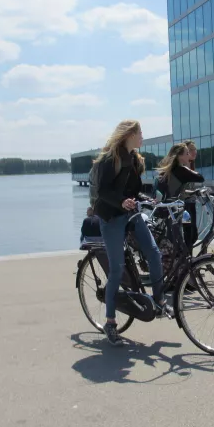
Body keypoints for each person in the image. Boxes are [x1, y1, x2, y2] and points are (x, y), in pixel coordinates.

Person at [93, 119, 170, 346]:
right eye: (140, 133)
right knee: (116, 269)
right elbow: (103, 191)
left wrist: (146, 199)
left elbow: (135, 190)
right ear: (129, 135)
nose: (142, 137)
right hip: (111, 216)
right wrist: (122, 201)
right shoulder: (111, 159)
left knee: (154, 254)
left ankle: (158, 302)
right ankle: (110, 322)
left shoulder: (136, 160)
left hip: (131, 213)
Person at [181, 140, 201, 251]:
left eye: (195, 149)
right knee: (189, 234)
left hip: (191, 204)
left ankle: (188, 259)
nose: (194, 152)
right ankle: (188, 262)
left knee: (193, 235)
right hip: (184, 205)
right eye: (191, 149)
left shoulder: (191, 165)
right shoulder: (182, 167)